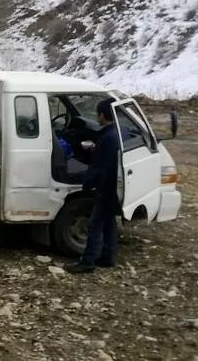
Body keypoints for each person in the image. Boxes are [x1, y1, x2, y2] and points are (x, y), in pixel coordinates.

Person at [67, 98, 122, 274]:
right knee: (108, 223)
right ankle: (108, 256)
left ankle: (88, 261)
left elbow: (100, 166)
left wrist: (87, 183)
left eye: (98, 114)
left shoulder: (108, 137)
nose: (97, 118)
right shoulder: (115, 134)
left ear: (102, 115)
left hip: (105, 187)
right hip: (115, 186)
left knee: (94, 224)